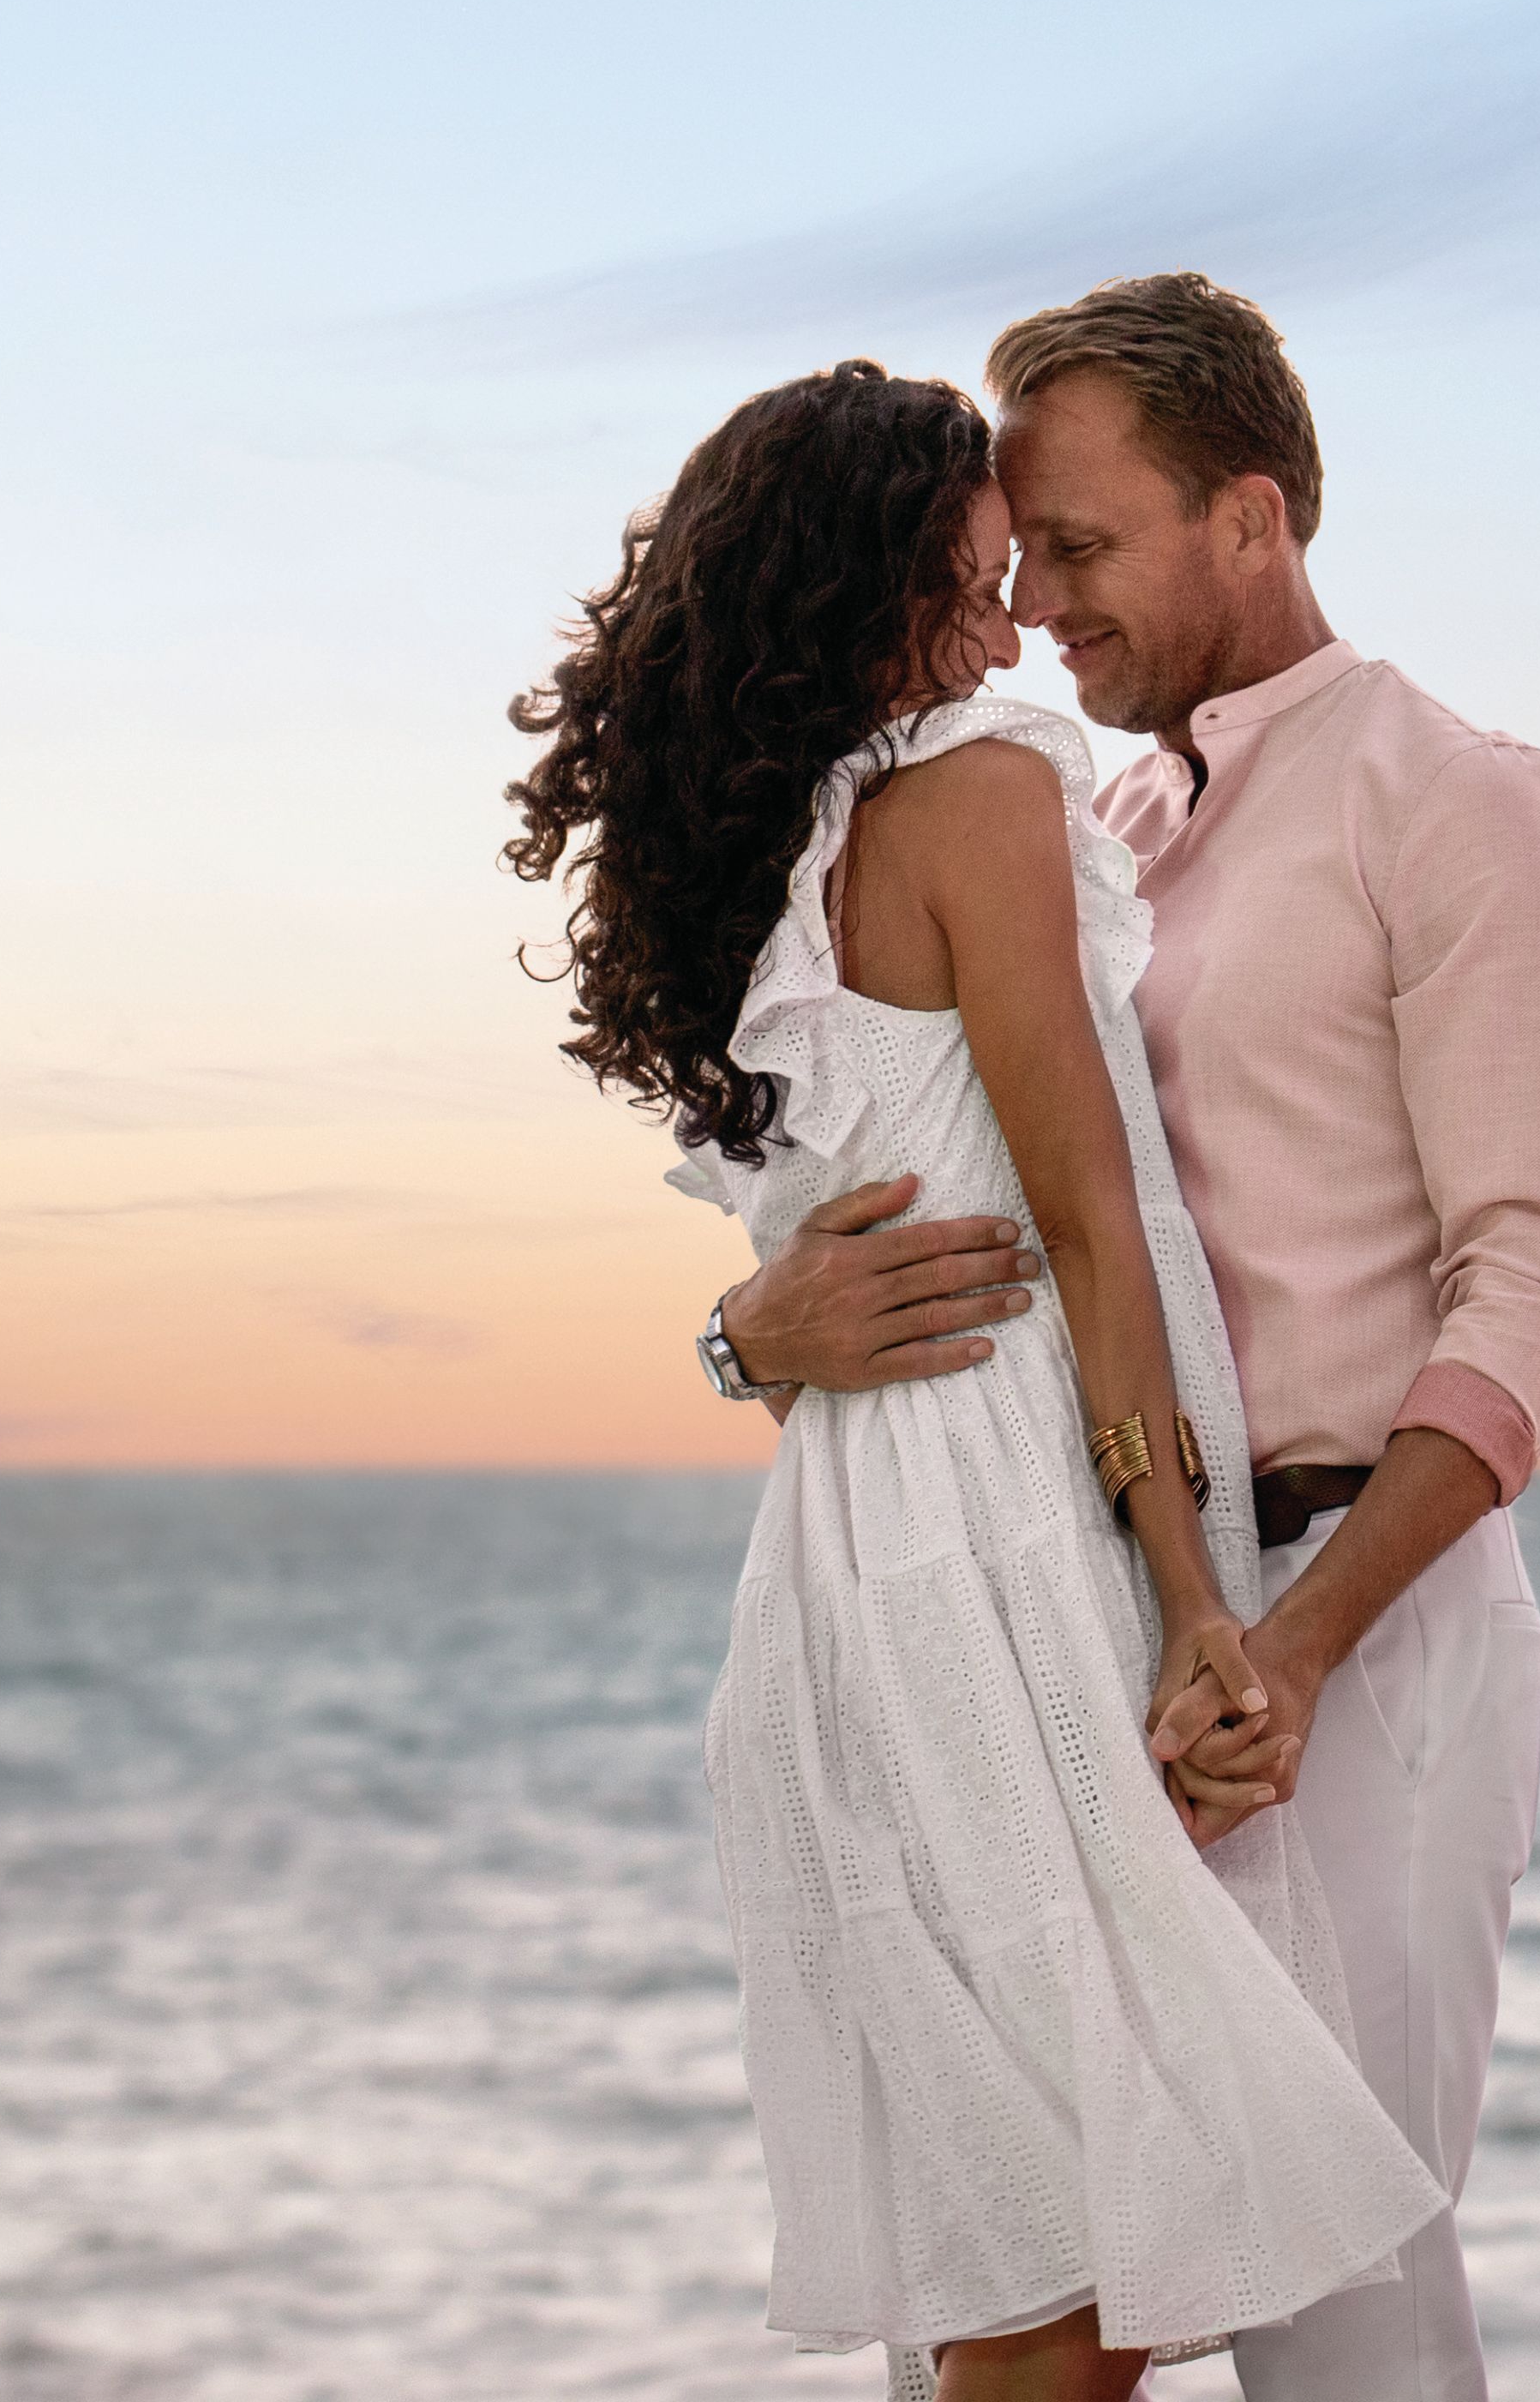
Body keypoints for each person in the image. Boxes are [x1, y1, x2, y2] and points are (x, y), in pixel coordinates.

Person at [716, 275, 1540, 2402]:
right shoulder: (1092, 829)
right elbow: (962, 1219)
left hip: (1348, 1623)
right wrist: (750, 1333)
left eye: (1083, 545)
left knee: (1346, 2318)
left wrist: (1291, 1652)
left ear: (1253, 513)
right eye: (1017, 552)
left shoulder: (1462, 803)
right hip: (1097, 1629)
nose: (1034, 603)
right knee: (1034, 2268)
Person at [504, 359, 1444, 2402]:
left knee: (1023, 2274)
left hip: (856, 1580)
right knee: (1075, 2280)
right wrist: (1200, 1596)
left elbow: (813, 1266)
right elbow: (1095, 1227)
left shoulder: (791, 849)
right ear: (869, 594)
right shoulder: (983, 791)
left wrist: (743, 1338)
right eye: (973, 576)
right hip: (1003, 1562)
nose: (1017, 620)